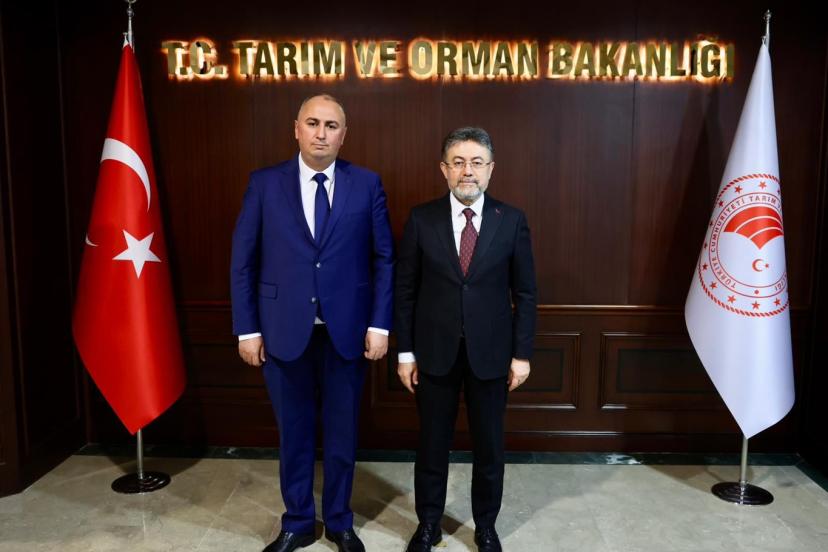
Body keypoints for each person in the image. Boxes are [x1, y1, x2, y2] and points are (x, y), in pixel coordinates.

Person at [230, 94, 394, 552]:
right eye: (313, 123)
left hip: (347, 334)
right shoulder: (264, 184)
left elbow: (384, 258)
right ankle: (298, 521)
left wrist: (380, 325)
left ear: (344, 135)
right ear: (296, 129)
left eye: (332, 125)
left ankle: (340, 521)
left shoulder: (367, 184)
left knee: (342, 435)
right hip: (282, 331)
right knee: (294, 435)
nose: (322, 133)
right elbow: (243, 261)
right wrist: (247, 329)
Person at [395, 127, 537, 552]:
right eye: (458, 162)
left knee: (489, 447)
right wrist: (405, 353)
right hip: (434, 353)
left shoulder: (511, 220)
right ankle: (428, 525)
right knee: (431, 445)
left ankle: (486, 526)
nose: (467, 171)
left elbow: (526, 293)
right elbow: (405, 291)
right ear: (444, 169)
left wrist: (522, 355)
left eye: (476, 162)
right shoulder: (422, 219)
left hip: (491, 355)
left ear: (491, 169)